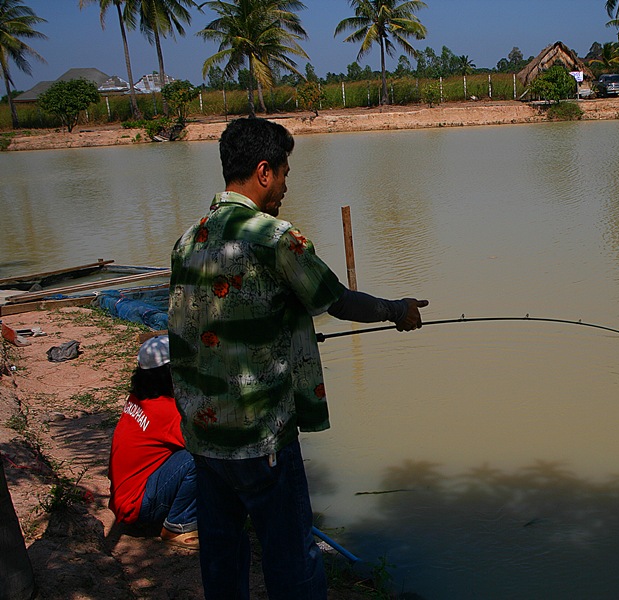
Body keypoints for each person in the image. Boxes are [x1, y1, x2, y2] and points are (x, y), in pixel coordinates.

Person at [168, 116, 428, 599]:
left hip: (204, 435)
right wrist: (397, 310)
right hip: (262, 436)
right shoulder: (275, 238)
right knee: (292, 558)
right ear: (264, 171)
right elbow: (336, 300)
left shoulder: (189, 241)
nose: (287, 185)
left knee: (222, 558)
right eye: (285, 173)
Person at [108, 334, 198, 549]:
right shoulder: (165, 412)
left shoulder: (139, 399)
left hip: (126, 500)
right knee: (197, 456)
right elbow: (203, 442)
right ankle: (179, 524)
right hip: (139, 508)